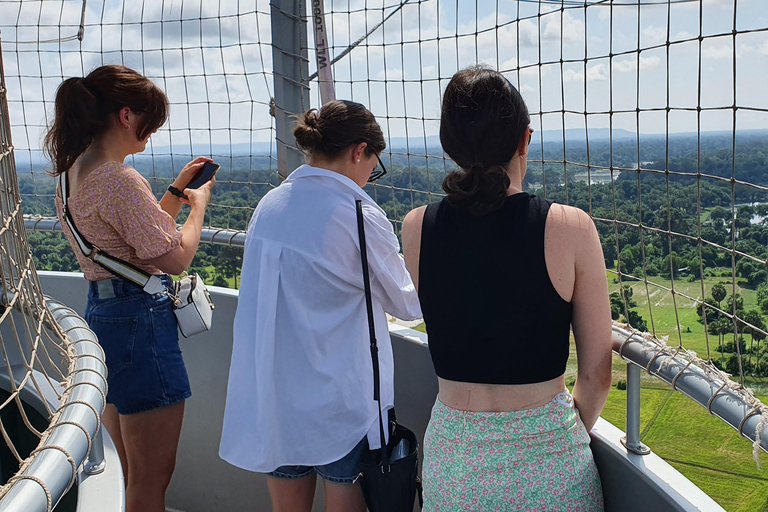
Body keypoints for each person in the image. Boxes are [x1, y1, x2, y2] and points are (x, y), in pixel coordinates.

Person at [401, 66, 612, 511]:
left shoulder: (417, 227)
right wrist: (553, 436)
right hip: (549, 463)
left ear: (450, 146)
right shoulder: (570, 227)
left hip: (452, 465)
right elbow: (596, 374)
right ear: (524, 140)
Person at [219, 100, 421, 512]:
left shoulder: (270, 206)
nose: (369, 178)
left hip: (275, 398)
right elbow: (408, 302)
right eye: (373, 166)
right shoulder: (357, 212)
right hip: (339, 403)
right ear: (359, 151)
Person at [46, 65, 215, 512]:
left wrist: (177, 190)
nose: (151, 132)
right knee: (150, 480)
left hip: (104, 318)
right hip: (141, 324)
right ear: (126, 115)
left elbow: (136, 244)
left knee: (125, 469)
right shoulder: (119, 179)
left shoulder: (72, 174)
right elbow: (175, 257)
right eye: (150, 121)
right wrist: (198, 208)